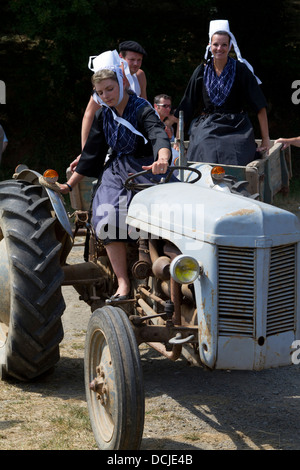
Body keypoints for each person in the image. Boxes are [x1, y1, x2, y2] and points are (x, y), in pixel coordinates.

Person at [60, 51, 173, 300]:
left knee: (171, 214)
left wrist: (163, 158)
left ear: (122, 82)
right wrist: (69, 185)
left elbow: (158, 135)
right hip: (116, 171)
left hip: (147, 168)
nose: (106, 96)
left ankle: (172, 272)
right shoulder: (102, 115)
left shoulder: (141, 108)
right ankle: (123, 283)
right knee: (106, 213)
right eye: (100, 93)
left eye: (109, 89)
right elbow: (92, 154)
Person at [174, 19, 271, 166]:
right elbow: (187, 105)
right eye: (216, 44)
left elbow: (259, 105)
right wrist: (178, 140)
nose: (220, 48)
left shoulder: (241, 70)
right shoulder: (201, 71)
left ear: (230, 46)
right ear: (209, 46)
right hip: (208, 125)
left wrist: (266, 139)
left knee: (236, 149)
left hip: (237, 126)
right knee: (205, 144)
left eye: (224, 44)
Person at [81, 41, 147, 148]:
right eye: (132, 60)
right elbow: (89, 115)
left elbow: (144, 107)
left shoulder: (140, 75)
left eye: (139, 60)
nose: (136, 63)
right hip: (112, 134)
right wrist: (84, 149)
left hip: (135, 137)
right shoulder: (108, 80)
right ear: (121, 57)